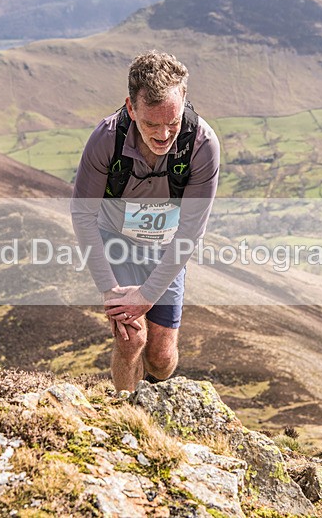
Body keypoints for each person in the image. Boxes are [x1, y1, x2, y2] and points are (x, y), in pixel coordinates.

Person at [70, 50, 220, 392]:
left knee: (161, 358)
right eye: (152, 124)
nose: (164, 134)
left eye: (173, 122)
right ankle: (127, 415)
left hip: (167, 247)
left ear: (184, 100)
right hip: (116, 242)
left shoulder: (202, 144)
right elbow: (83, 214)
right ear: (131, 108)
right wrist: (110, 290)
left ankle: (150, 390)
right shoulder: (106, 139)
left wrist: (149, 294)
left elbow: (191, 230)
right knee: (130, 339)